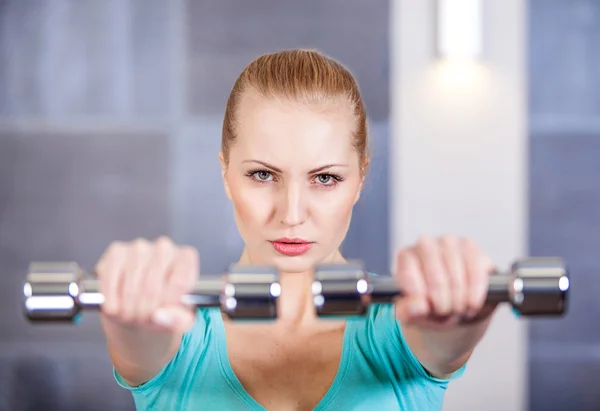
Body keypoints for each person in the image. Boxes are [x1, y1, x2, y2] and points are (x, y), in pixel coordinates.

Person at [96, 49, 498, 411]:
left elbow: (446, 342)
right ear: (225, 173)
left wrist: (460, 312)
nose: (291, 214)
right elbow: (139, 344)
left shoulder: (398, 328)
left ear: (360, 177)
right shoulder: (177, 335)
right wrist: (131, 310)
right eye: (262, 174)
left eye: (324, 179)